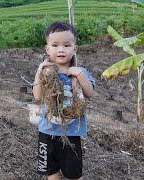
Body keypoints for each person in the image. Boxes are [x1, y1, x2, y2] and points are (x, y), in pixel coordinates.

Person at [32, 21, 95, 180]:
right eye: (55, 45)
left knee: (74, 174)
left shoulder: (80, 72)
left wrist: (79, 75)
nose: (61, 49)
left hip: (72, 133)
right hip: (47, 132)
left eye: (67, 45)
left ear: (75, 49)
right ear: (47, 49)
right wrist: (39, 73)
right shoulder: (45, 73)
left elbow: (90, 93)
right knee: (51, 173)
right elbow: (38, 97)